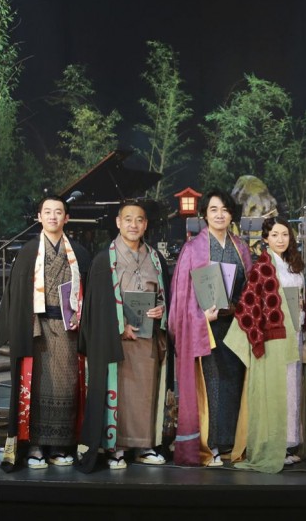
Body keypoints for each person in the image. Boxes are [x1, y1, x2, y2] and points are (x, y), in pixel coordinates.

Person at [0, 195, 90, 472]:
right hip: (37, 329)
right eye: (47, 212)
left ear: (66, 218)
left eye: (58, 212)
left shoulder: (79, 253)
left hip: (68, 330)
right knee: (36, 387)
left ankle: (61, 446)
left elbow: (90, 296)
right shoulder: (28, 252)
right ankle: (35, 445)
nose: (52, 216)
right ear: (39, 217)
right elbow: (16, 295)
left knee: (67, 386)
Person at [76, 200, 170, 471]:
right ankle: (115, 447)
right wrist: (120, 327)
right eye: (128, 219)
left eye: (139, 220)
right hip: (116, 340)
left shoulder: (155, 258)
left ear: (146, 224)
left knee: (146, 393)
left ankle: (144, 446)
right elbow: (96, 305)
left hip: (148, 337)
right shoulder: (104, 259)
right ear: (118, 223)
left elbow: (165, 294)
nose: (133, 225)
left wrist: (161, 309)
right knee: (120, 393)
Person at [168, 190, 252, 467]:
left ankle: (229, 443)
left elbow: (250, 287)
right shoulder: (192, 249)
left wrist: (241, 306)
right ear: (204, 214)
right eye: (214, 209)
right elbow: (181, 296)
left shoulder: (241, 247)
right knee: (212, 386)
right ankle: (209, 445)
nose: (219, 215)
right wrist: (201, 316)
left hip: (235, 327)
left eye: (225, 210)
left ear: (232, 215)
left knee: (233, 384)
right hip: (206, 328)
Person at [226, 216, 306, 473]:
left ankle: (289, 444)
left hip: (295, 334)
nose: (280, 239)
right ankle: (273, 445)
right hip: (274, 337)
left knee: (292, 389)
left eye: (285, 234)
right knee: (275, 390)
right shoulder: (262, 267)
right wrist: (259, 335)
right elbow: (249, 304)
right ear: (265, 239)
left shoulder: (293, 265)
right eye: (275, 235)